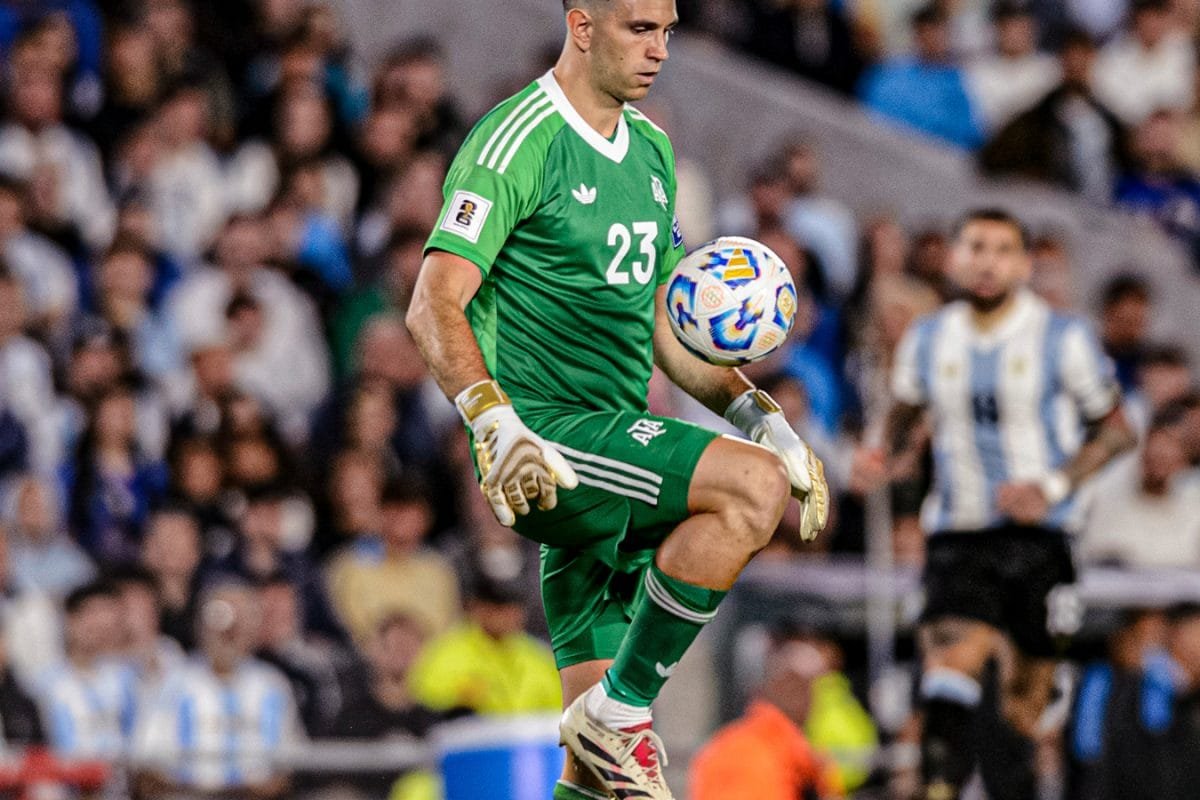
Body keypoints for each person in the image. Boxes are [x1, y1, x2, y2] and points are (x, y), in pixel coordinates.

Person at [405, 2, 829, 798]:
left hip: (614, 457)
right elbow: (433, 303)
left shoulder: (656, 152)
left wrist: (760, 418)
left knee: (600, 787)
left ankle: (605, 724)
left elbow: (665, 324)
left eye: (668, 30)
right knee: (751, 493)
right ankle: (621, 708)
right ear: (582, 24)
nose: (660, 49)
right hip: (545, 449)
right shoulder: (517, 139)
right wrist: (492, 420)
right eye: (641, 29)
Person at [886, 208, 1137, 800]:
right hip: (959, 535)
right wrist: (887, 462)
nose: (986, 262)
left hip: (1040, 538)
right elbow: (904, 420)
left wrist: (1050, 487)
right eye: (974, 247)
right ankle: (939, 787)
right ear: (954, 258)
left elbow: (1119, 429)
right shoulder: (928, 339)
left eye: (1002, 249)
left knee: (1021, 713)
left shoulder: (1064, 337)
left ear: (1024, 265)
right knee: (949, 667)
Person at [688, 625, 842, 800]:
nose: (815, 698)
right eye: (811, 685)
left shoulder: (795, 752)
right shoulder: (744, 755)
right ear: (788, 684)